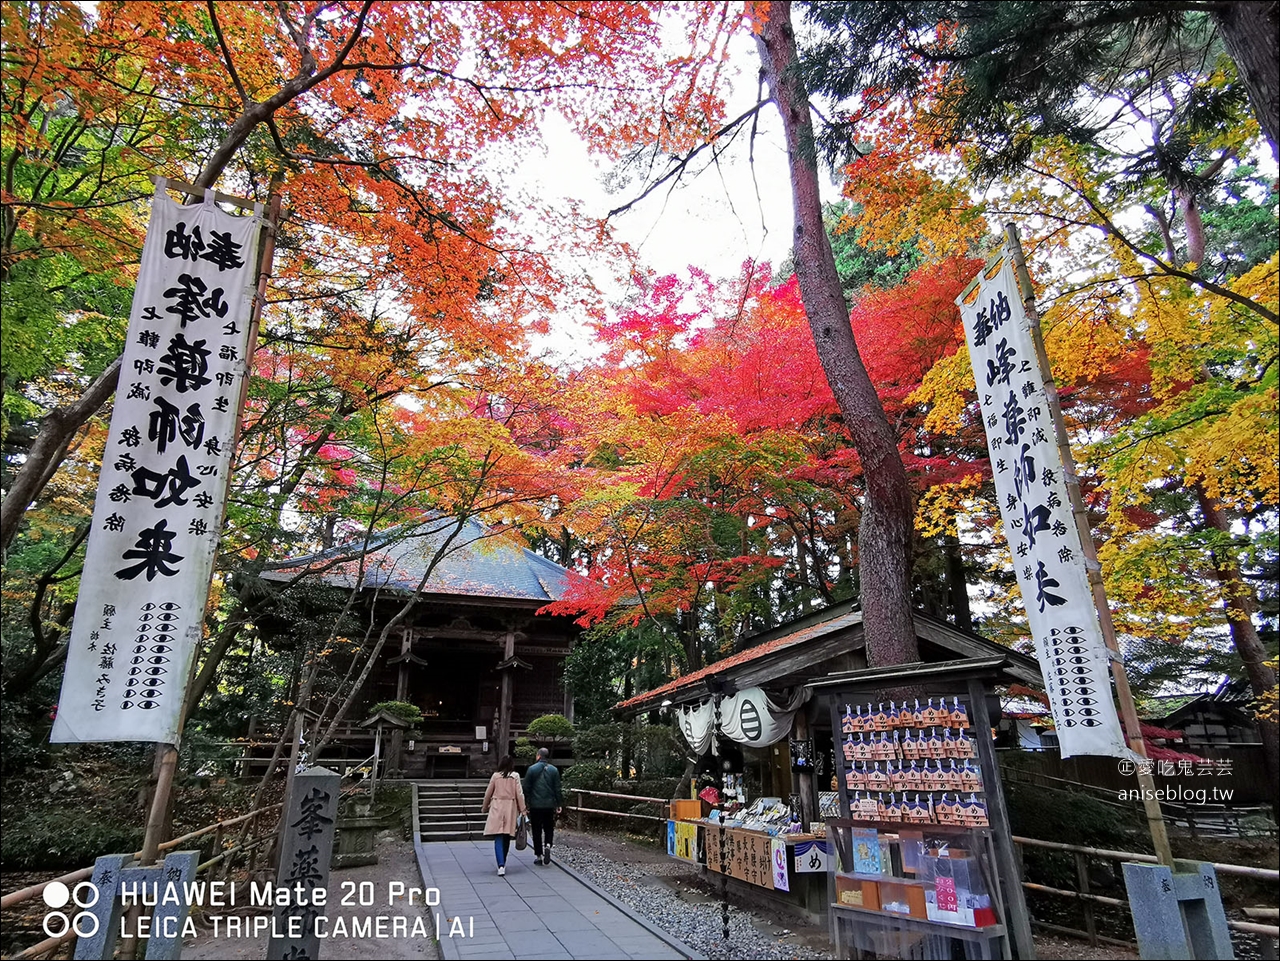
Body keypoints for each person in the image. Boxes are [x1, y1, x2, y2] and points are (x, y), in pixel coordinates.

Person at [481, 755, 526, 876]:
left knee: (498, 837)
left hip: (497, 806)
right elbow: (520, 794)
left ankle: (501, 864)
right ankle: (503, 862)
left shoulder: (496, 776)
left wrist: (484, 807)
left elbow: (488, 793)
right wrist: (523, 809)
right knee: (507, 836)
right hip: (510, 807)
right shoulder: (515, 776)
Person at [523, 746, 563, 865]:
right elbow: (557, 788)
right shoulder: (554, 770)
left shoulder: (532, 769)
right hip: (549, 804)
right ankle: (548, 845)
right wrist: (559, 803)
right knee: (549, 827)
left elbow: (527, 788)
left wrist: (525, 803)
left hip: (536, 805)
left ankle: (539, 855)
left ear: (538, 756)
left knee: (536, 830)